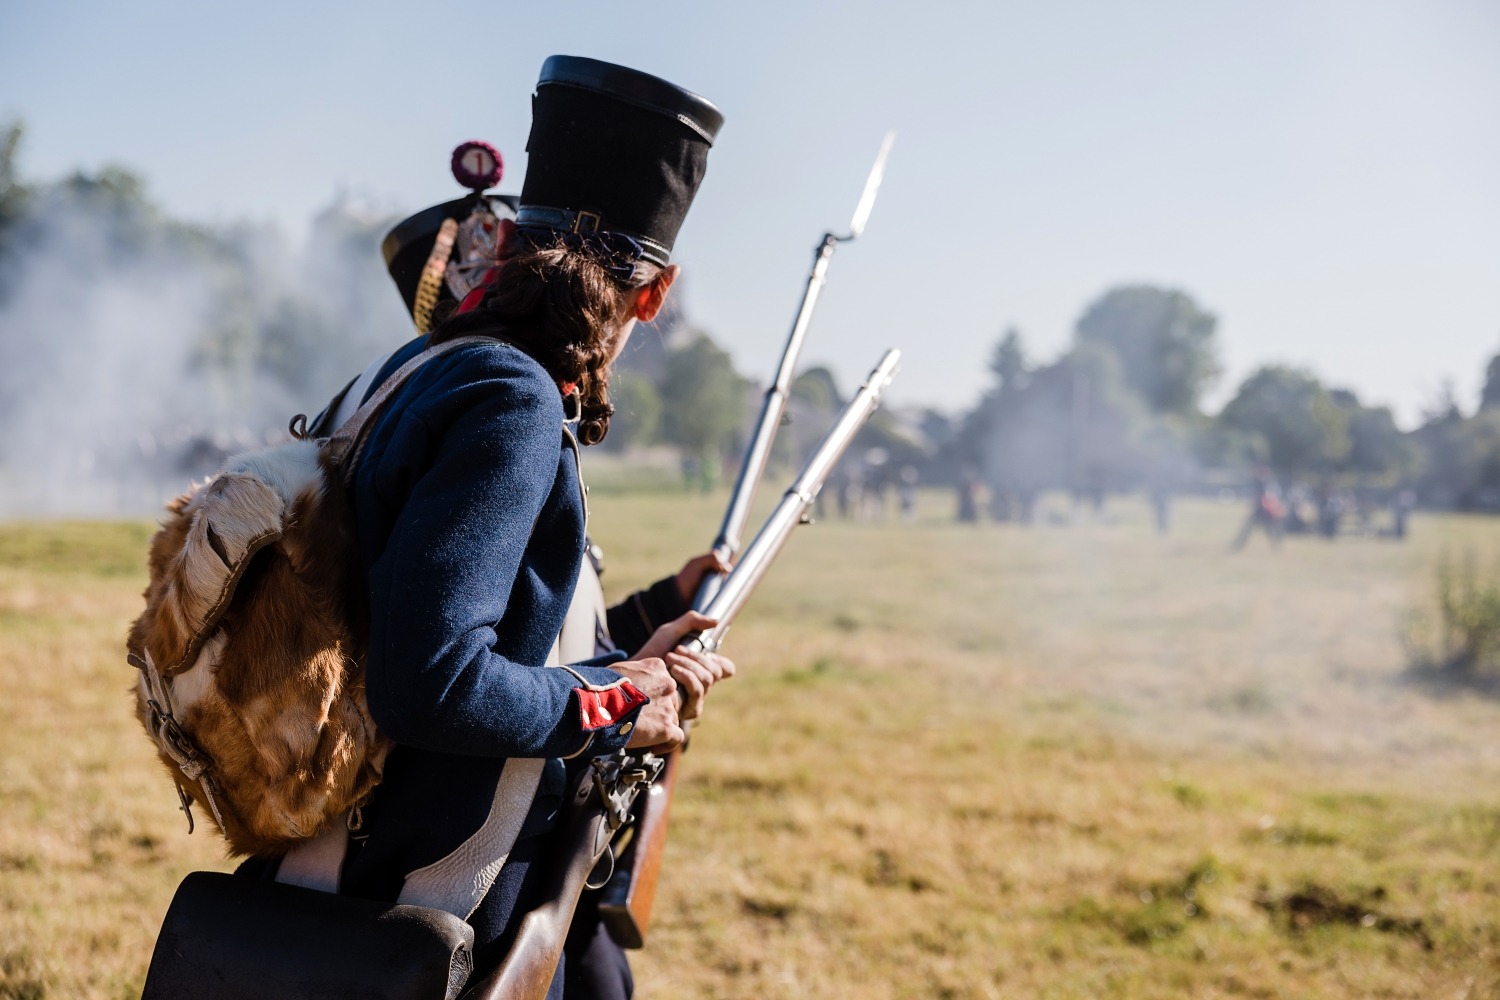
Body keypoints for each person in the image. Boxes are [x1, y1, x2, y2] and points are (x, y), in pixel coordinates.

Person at [319, 56, 732, 996]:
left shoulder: (412, 374)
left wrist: (650, 622)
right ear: (654, 294)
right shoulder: (511, 400)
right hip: (429, 905)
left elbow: (500, 631)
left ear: (509, 244)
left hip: (354, 860)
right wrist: (628, 697)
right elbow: (432, 682)